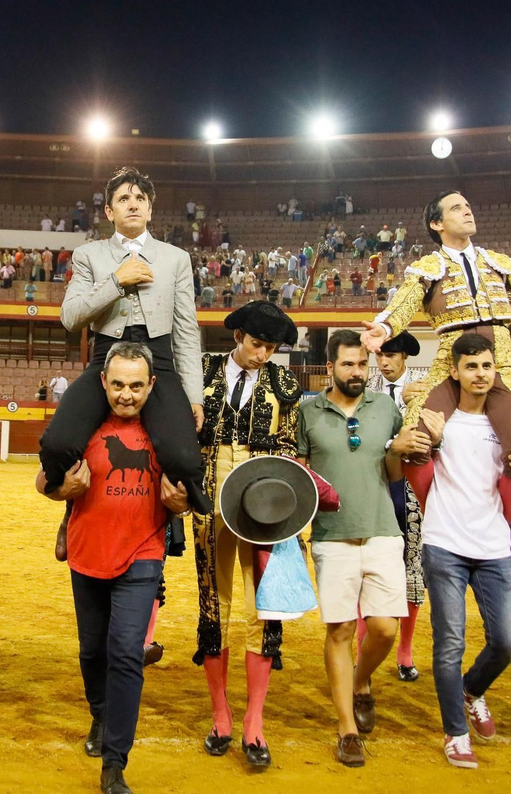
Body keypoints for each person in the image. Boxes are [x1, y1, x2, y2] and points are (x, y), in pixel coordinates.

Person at [38, 343, 189, 794]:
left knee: (125, 652)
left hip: (142, 554)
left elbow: (182, 490)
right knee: (92, 651)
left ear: (151, 385)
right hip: (88, 552)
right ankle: (100, 714)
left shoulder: (165, 431)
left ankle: (114, 763)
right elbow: (43, 481)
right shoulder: (81, 426)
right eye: (119, 385)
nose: (127, 395)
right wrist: (63, 489)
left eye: (136, 386)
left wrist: (179, 506)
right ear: (103, 382)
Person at [362, 191, 511, 520]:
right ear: (437, 223)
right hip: (449, 364)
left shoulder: (500, 264)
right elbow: (404, 303)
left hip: (501, 363)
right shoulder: (428, 268)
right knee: (415, 440)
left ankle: (497, 523)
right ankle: (441, 516)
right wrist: (384, 328)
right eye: (457, 208)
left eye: (468, 206)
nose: (467, 212)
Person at [39, 167, 210, 514]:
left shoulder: (176, 259)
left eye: (140, 199)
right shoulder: (89, 255)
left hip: (159, 362)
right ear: (109, 211)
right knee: (57, 445)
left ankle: (170, 525)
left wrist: (194, 395)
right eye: (123, 199)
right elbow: (70, 317)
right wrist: (116, 281)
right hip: (106, 359)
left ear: (150, 209)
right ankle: (69, 508)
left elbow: (187, 333)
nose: (132, 205)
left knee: (184, 459)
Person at [411, 332, 511, 769]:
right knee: (449, 642)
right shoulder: (439, 420)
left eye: (487, 366)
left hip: (493, 544)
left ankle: (472, 690)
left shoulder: (507, 423)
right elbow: (413, 465)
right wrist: (426, 441)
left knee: (507, 642)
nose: (481, 374)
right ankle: (455, 733)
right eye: (471, 367)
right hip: (445, 543)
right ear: (455, 371)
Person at [297, 329, 421, 768]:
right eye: (348, 364)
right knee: (340, 631)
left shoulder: (387, 408)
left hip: (383, 531)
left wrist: (405, 448)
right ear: (329, 366)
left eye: (362, 364)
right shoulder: (306, 412)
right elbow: (298, 471)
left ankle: (360, 680)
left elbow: (394, 474)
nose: (357, 372)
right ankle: (347, 729)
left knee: (385, 629)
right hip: (331, 536)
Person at [190, 302, 303, 768]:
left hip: (264, 506)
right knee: (213, 604)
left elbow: (289, 447)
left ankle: (254, 722)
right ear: (237, 336)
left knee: (266, 607)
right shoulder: (200, 372)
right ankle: (221, 714)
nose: (263, 355)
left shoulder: (286, 385)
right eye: (257, 345)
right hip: (208, 500)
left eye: (271, 348)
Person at [371, 331, 426, 682]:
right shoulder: (368, 389)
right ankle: (367, 645)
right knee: (372, 565)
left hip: (413, 488)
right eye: (380, 356)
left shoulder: (423, 389)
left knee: (412, 566)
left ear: (404, 356)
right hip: (375, 484)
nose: (384, 362)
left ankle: (404, 651)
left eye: (390, 355)